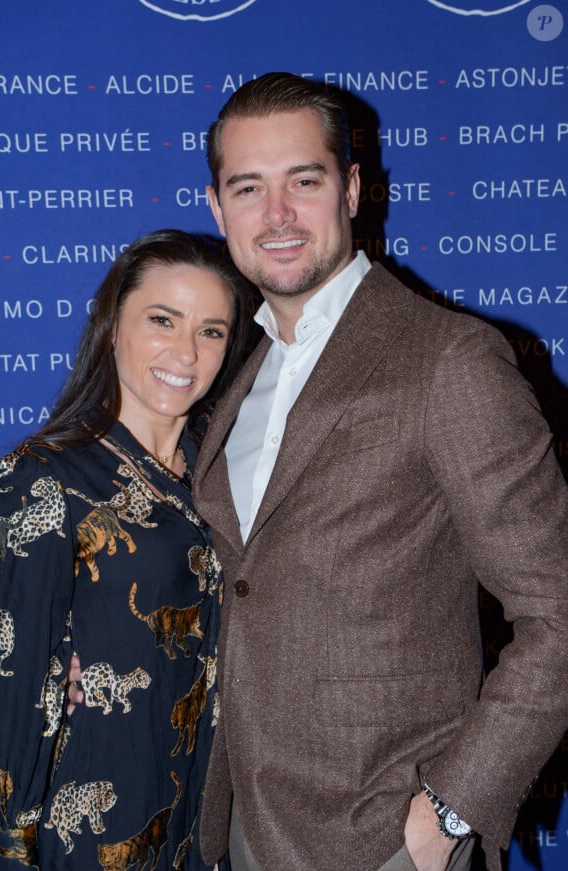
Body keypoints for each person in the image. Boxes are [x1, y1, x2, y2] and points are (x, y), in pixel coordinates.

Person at [190, 73, 568, 871]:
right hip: (243, 825)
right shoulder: (242, 373)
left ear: (353, 188)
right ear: (219, 209)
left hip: (384, 838)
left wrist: (447, 810)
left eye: (306, 180)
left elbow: (559, 611)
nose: (278, 214)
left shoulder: (446, 361)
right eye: (249, 188)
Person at [0, 229, 255, 870]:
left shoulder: (230, 480)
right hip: (81, 834)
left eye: (211, 331)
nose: (185, 352)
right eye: (162, 320)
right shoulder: (43, 479)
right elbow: (9, 705)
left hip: (201, 828)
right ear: (112, 327)